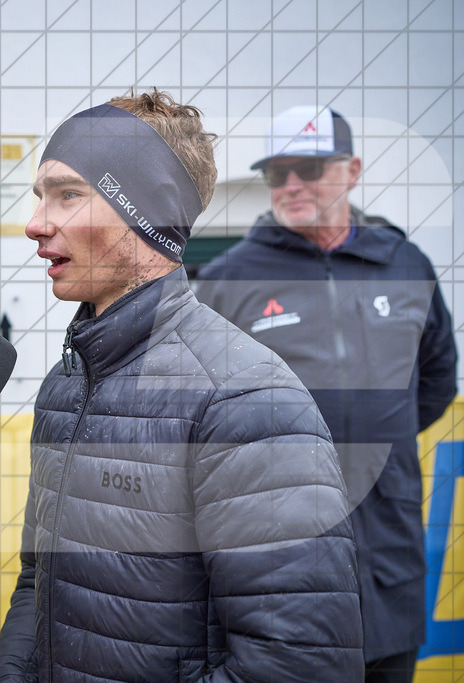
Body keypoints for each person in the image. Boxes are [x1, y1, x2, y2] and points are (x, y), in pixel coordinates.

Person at [0, 91, 364, 681]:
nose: (36, 223)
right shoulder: (65, 383)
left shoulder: (249, 401)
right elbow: (40, 580)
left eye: (67, 194)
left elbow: (299, 665)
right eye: (40, 197)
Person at [196, 105, 458, 681]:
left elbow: (437, 380)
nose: (290, 185)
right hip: (279, 573)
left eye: (308, 169)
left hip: (389, 560)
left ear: (352, 170)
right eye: (277, 172)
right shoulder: (228, 280)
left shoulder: (405, 263)